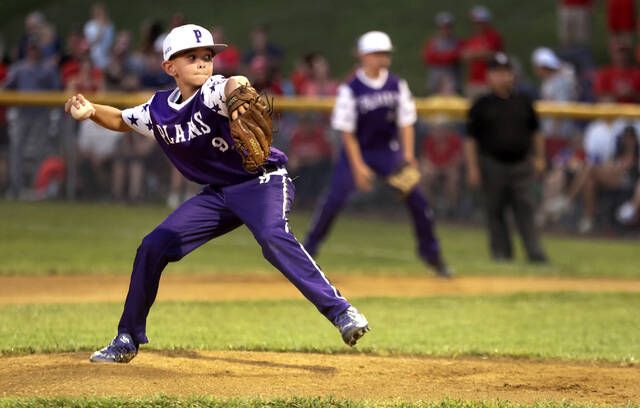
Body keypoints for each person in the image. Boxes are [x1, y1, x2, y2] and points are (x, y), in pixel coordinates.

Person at [64, 24, 369, 363]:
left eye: (207, 57)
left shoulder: (214, 91)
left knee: (271, 236)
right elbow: (122, 119)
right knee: (152, 246)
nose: (202, 63)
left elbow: (235, 83)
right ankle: (126, 338)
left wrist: (239, 94)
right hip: (218, 196)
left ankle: (342, 312)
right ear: (169, 67)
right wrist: (91, 111)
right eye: (191, 57)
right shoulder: (159, 108)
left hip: (262, 182)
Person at [303, 31, 451, 278]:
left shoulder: (396, 85)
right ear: (363, 56)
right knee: (334, 200)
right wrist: (359, 168)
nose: (382, 58)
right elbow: (347, 134)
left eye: (385, 53)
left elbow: (406, 123)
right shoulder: (351, 88)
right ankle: (307, 252)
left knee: (418, 199)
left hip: (387, 154)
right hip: (356, 153)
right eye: (377, 53)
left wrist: (408, 155)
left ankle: (432, 255)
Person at [465, 52, 548, 263]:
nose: (503, 77)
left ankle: (534, 252)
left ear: (513, 75)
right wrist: (473, 167)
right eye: (497, 72)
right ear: (489, 76)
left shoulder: (523, 101)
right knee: (495, 210)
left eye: (506, 72)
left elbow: (536, 131)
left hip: (521, 164)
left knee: (526, 208)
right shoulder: (482, 104)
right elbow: (470, 139)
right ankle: (501, 253)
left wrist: (539, 157)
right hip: (493, 163)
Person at [461, 5, 503, 99]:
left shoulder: (493, 36)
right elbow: (464, 56)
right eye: (475, 22)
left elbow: (491, 54)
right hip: (473, 81)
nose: (477, 25)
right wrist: (479, 54)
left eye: (479, 22)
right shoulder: (472, 38)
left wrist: (474, 54)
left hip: (488, 81)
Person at [422, 11, 462, 94]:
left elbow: (459, 55)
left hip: (452, 83)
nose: (445, 29)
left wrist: (440, 57)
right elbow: (428, 58)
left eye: (448, 26)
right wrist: (450, 56)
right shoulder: (433, 42)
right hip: (435, 82)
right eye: (443, 26)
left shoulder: (457, 42)